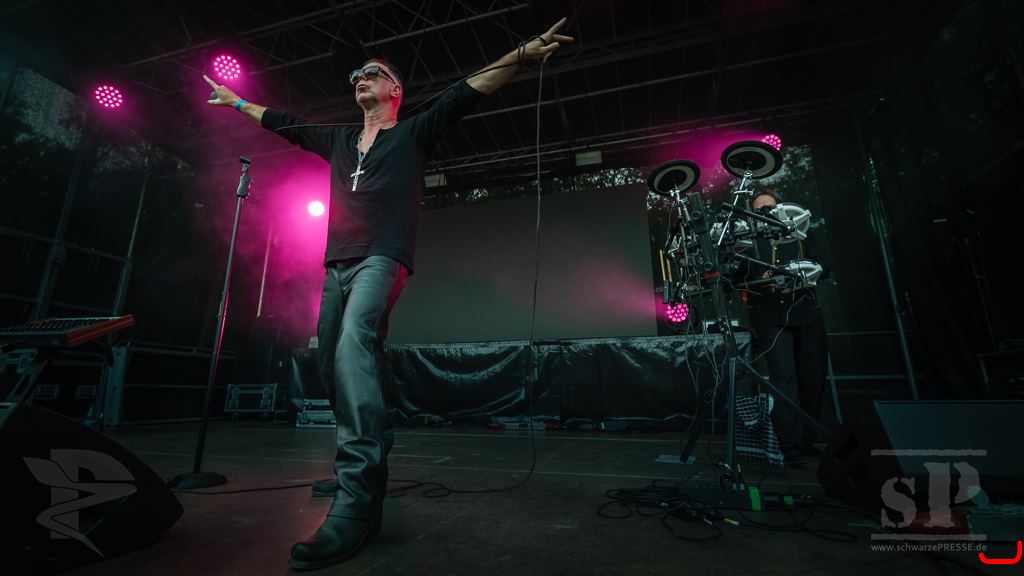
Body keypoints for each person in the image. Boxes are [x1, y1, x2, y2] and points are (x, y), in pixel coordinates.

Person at [204, 19, 573, 570]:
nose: (360, 77)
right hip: (337, 263)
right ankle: (368, 456)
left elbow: (464, 92)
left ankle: (357, 500)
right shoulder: (337, 140)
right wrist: (236, 102)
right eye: (356, 73)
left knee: (355, 341)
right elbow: (283, 122)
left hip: (383, 256)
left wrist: (520, 55)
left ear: (395, 89)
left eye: (372, 72)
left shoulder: (413, 132)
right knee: (331, 362)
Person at [741, 188, 831, 469]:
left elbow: (825, 265)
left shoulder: (800, 233)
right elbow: (740, 275)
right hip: (771, 317)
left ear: (780, 209)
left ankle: (807, 438)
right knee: (784, 379)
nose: (765, 213)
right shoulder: (748, 241)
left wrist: (804, 272)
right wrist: (762, 277)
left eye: (770, 208)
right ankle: (787, 443)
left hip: (807, 313)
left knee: (812, 378)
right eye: (759, 210)